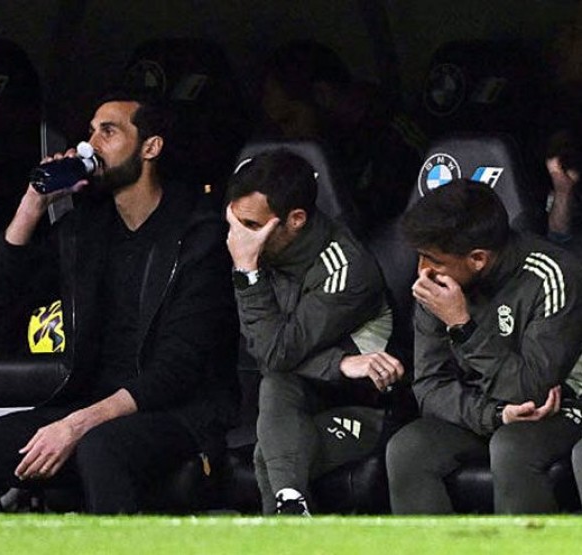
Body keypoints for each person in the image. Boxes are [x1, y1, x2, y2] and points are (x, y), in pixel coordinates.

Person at [0, 90, 240, 513]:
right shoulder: (86, 231)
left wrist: (76, 424)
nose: (90, 145)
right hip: (92, 403)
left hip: (179, 413)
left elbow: (178, 370)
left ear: (150, 147)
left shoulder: (197, 234)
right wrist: (33, 203)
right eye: (91, 132)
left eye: (108, 132)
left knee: (100, 448)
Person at [225, 149, 405, 515]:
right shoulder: (257, 254)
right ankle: (294, 508)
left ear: (295, 220)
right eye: (234, 223)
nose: (238, 239)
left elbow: (275, 354)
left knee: (269, 455)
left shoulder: (345, 267)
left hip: (364, 409)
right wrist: (339, 363)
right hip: (294, 403)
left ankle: (291, 511)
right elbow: (267, 355)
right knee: (276, 391)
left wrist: (247, 275)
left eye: (252, 226)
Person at [386, 179, 582, 514]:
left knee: (512, 446)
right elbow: (429, 386)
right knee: (408, 447)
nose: (422, 272)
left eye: (432, 259)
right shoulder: (434, 285)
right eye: (419, 256)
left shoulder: (553, 275)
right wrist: (492, 415)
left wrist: (463, 326)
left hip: (560, 409)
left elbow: (532, 391)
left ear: (477, 258)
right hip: (485, 409)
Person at [255, 39, 426, 231]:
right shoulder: (329, 146)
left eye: (289, 120)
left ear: (322, 95)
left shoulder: (394, 142)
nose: (288, 136)